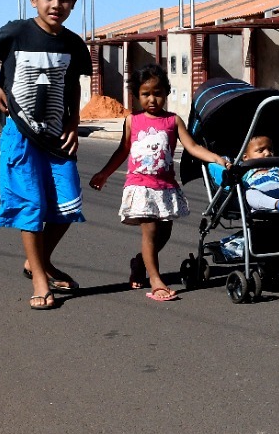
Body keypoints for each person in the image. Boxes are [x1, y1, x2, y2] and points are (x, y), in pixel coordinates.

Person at [0, 0, 92, 311]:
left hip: (57, 135)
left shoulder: (73, 44)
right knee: (31, 206)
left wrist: (74, 121)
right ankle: (40, 279)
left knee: (68, 204)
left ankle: (37, 261)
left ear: (73, 2)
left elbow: (73, 84)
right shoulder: (17, 32)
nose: (56, 5)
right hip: (20, 134)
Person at [89, 63, 230, 302]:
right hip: (140, 186)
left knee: (163, 234)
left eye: (157, 93)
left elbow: (192, 146)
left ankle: (139, 262)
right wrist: (104, 173)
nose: (152, 99)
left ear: (166, 93)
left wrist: (216, 158)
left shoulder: (173, 121)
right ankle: (156, 280)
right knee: (150, 232)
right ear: (137, 95)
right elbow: (122, 151)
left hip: (165, 187)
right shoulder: (132, 120)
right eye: (146, 94)